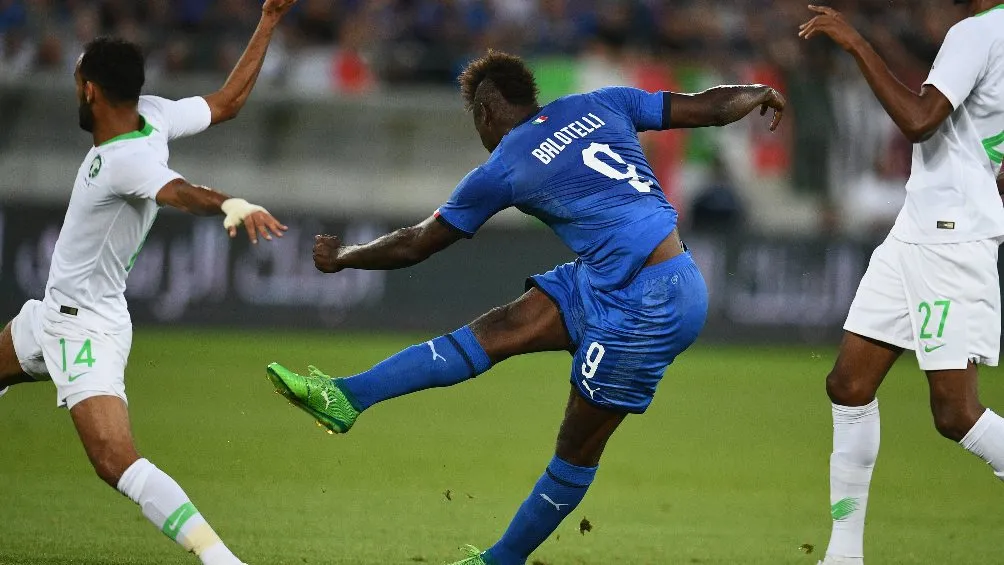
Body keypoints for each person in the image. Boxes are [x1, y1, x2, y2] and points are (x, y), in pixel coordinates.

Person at [266, 50, 784, 565]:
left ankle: (503, 560)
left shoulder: (505, 165)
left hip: (650, 304)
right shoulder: (601, 103)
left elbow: (417, 243)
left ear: (487, 107)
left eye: (476, 119)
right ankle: (346, 397)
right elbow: (708, 108)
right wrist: (756, 93)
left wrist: (344, 257)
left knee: (577, 446)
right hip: (618, 276)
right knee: (501, 328)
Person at [0, 1, 297, 563]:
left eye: (75, 81)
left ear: (90, 91)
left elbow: (179, 190)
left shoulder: (126, 160)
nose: (74, 90)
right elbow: (227, 103)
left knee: (115, 461)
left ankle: (220, 558)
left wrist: (230, 201)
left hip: (86, 329)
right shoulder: (154, 115)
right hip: (48, 317)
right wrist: (269, 20)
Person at [799, 3, 1004, 564]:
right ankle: (843, 557)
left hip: (949, 242)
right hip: (916, 231)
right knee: (848, 385)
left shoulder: (977, 33)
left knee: (956, 414)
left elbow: (919, 119)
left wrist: (858, 44)